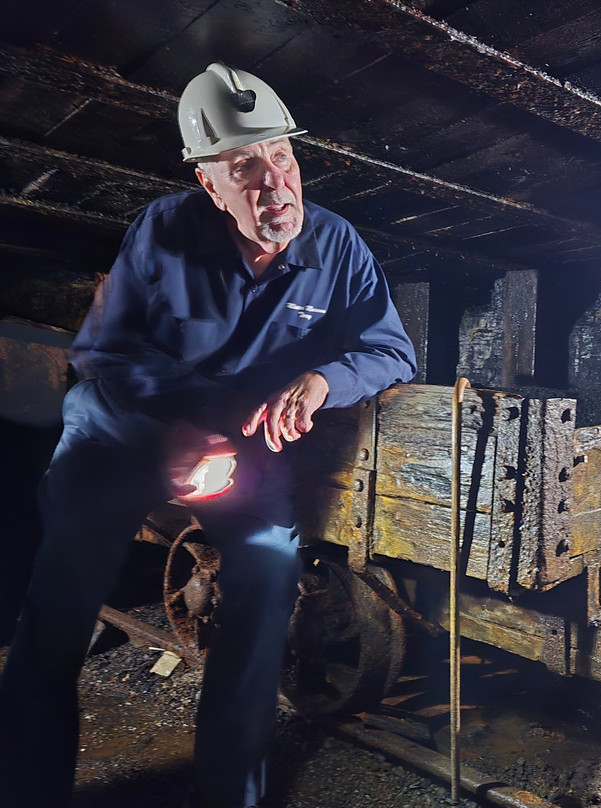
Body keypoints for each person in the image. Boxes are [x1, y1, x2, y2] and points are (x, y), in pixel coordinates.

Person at [0, 63, 416, 808]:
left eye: (283, 156)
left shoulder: (337, 245)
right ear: (209, 184)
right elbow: (105, 354)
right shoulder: (164, 230)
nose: (274, 182)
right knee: (57, 613)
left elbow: (392, 351)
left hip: (241, 452)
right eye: (244, 166)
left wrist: (326, 380)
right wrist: (186, 425)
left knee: (264, 594)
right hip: (126, 431)